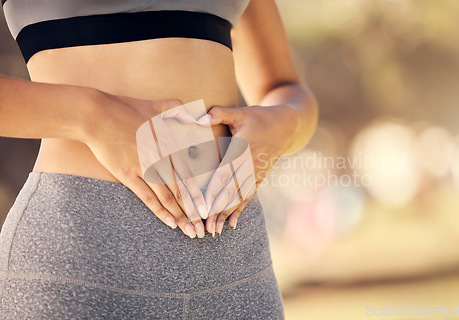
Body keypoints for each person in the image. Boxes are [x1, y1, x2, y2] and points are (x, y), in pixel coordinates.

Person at [0, 0, 318, 318]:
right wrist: (93, 115)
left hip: (237, 263)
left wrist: (284, 122)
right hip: (79, 255)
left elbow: (284, 87)